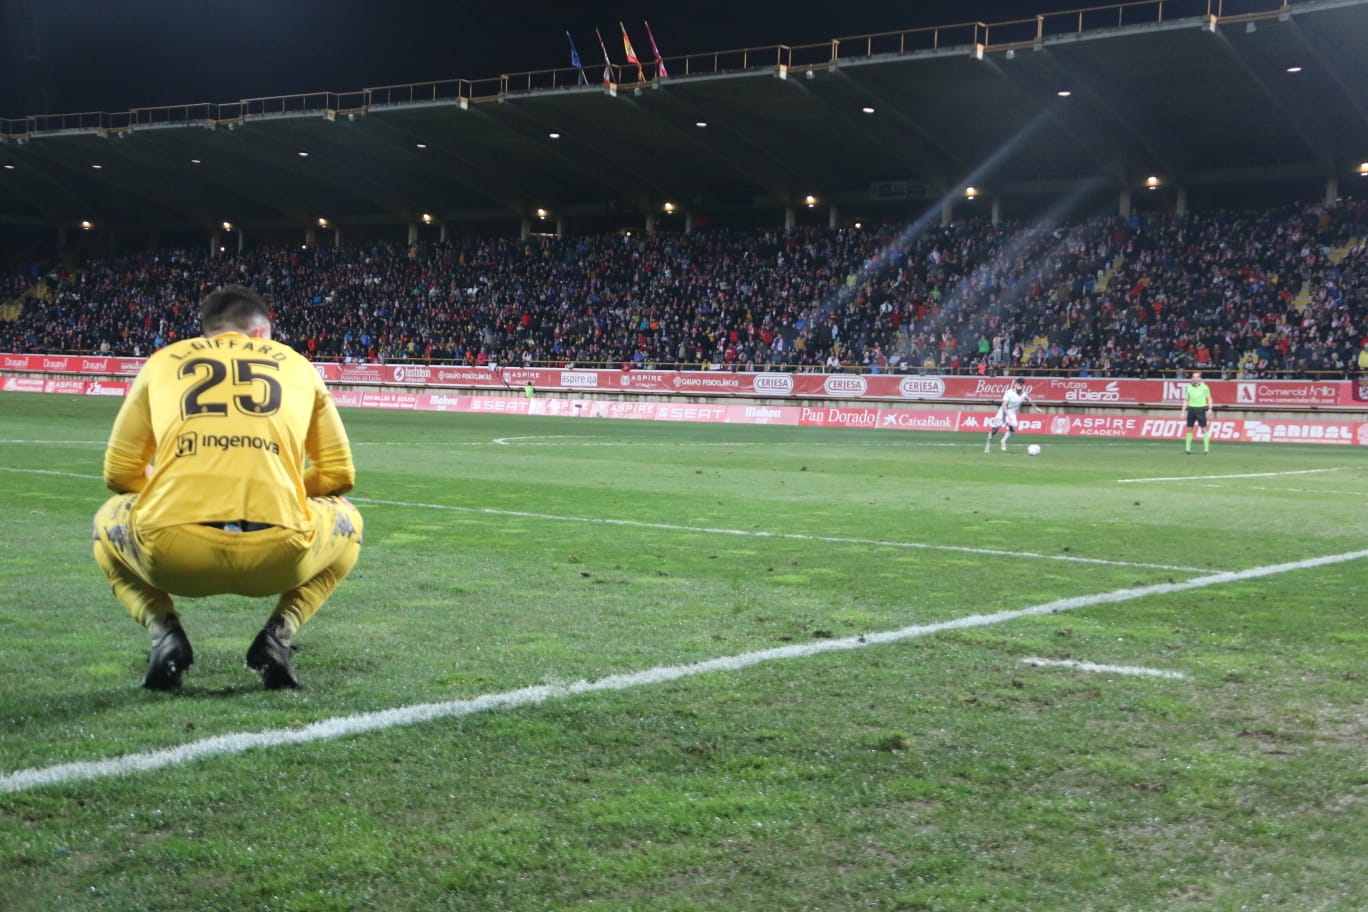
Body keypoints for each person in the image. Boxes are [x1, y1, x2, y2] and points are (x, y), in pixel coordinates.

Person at [92, 285, 364, 690]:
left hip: (172, 555)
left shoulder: (163, 362)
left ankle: (163, 630)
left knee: (103, 524)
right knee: (350, 521)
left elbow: (119, 474)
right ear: (259, 334)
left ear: (207, 334)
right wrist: (285, 486)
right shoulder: (298, 364)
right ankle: (279, 633)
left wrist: (164, 486)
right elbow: (340, 475)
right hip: (280, 554)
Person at [984, 377, 1040, 452]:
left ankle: (1003, 441)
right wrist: (1008, 415)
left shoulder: (1023, 394)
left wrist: (1036, 408)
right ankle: (988, 445)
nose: (1020, 387)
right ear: (1015, 385)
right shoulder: (1009, 393)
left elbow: (1029, 400)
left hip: (1012, 412)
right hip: (1003, 412)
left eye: (1022, 385)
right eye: (1019, 385)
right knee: (995, 430)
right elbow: (1004, 405)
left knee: (1013, 428)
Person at [1181, 369, 1214, 454]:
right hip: (1191, 409)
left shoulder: (1204, 387)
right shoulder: (1189, 387)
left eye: (1197, 377)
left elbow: (1209, 398)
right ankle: (1187, 449)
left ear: (1200, 378)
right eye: (1194, 377)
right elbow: (1186, 399)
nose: (1195, 378)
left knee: (1204, 429)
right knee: (1189, 429)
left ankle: (1206, 450)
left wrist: (1210, 408)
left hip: (1200, 409)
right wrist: (1183, 411)